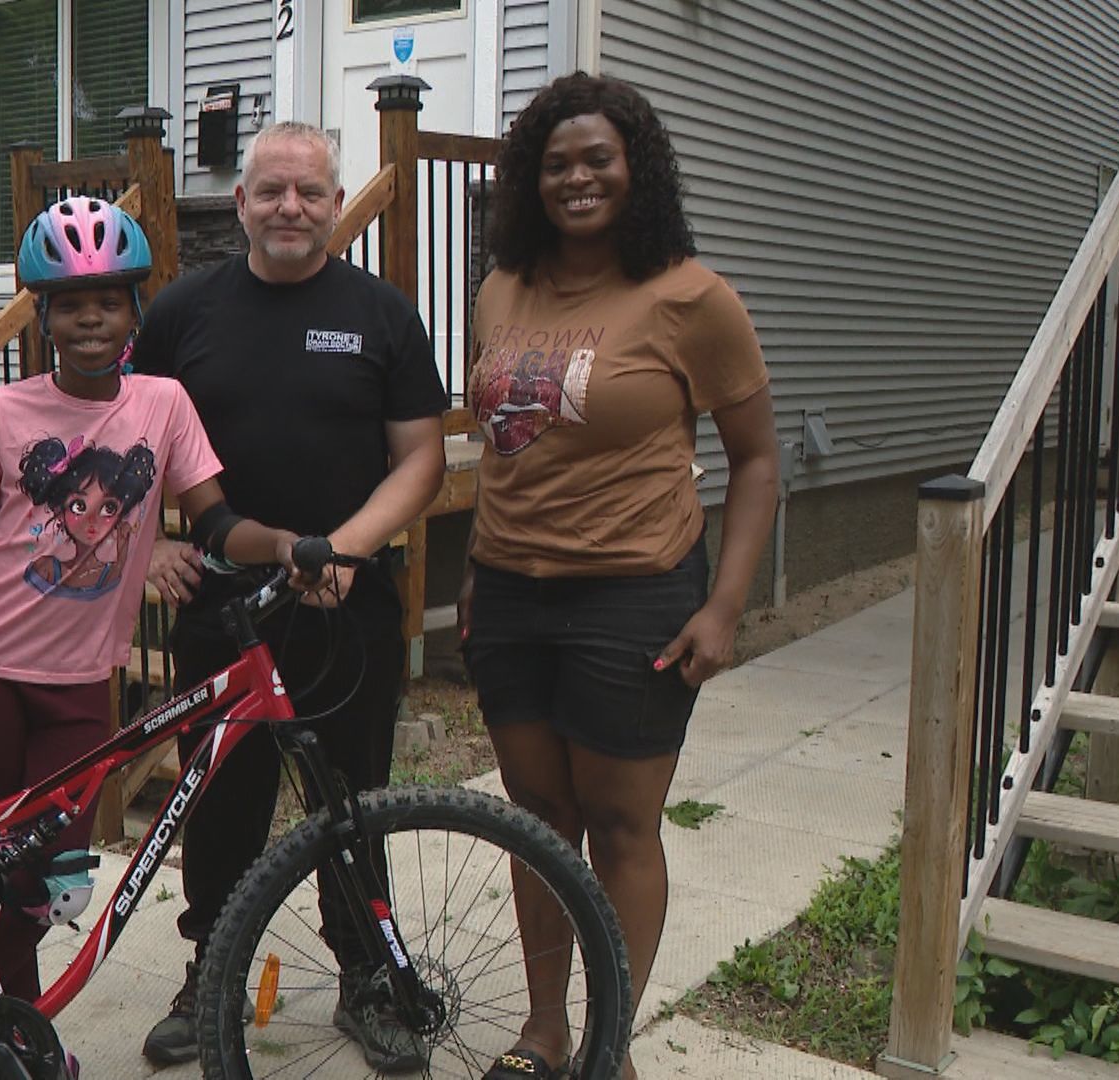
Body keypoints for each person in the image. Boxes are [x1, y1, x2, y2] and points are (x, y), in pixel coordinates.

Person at [0, 197, 303, 1055]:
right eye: (70, 304)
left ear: (135, 311)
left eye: (108, 301)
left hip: (79, 682)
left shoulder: (163, 405)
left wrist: (290, 543)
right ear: (43, 316)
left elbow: (216, 524)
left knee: (55, 876)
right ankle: (11, 1043)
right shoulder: (0, 416)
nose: (90, 319)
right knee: (9, 871)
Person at [459, 73, 778, 1080]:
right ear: (529, 181)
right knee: (537, 819)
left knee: (621, 824)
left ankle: (610, 1042)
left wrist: (724, 606)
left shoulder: (690, 295)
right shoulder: (501, 287)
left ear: (634, 168)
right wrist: (475, 568)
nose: (577, 177)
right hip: (511, 593)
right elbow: (507, 450)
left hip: (634, 590)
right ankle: (544, 1030)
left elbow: (758, 458)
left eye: (597, 158)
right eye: (556, 164)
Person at [133, 121, 448, 1071]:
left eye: (310, 193)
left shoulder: (383, 314)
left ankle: (366, 979)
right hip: (222, 604)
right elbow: (129, 442)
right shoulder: (182, 313)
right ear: (241, 204)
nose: (290, 209)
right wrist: (147, 540)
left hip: (345, 605)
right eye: (271, 191)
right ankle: (212, 975)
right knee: (223, 801)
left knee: (353, 805)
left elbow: (421, 457)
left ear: (335, 205)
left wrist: (344, 548)